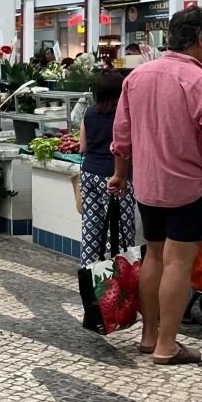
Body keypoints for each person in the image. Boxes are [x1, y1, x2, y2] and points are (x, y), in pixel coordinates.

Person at [109, 6, 202, 366]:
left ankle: (148, 337)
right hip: (190, 188)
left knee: (155, 255)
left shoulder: (138, 76)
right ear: (201, 38)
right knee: (179, 262)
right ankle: (167, 345)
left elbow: (121, 135)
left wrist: (120, 173)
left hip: (148, 185)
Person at [79, 71, 135, 267]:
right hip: (115, 177)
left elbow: (82, 147)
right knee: (120, 231)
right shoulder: (125, 116)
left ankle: (89, 273)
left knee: (90, 227)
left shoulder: (90, 113)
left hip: (88, 174)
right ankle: (121, 276)